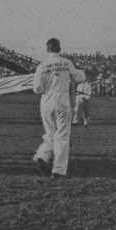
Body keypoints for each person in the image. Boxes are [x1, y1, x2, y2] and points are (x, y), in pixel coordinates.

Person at [32, 38, 85, 178]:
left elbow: (37, 89)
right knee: (62, 136)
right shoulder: (66, 63)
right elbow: (79, 78)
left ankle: (42, 155)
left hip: (46, 103)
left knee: (50, 134)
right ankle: (59, 170)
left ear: (47, 49)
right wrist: (83, 73)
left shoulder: (42, 66)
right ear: (59, 49)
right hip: (62, 102)